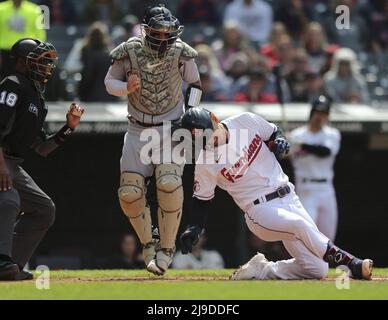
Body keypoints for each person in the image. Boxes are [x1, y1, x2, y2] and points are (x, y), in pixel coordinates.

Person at [179, 107, 373, 280]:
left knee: (317, 269)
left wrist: (279, 141)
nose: (209, 142)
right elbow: (201, 200)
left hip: (289, 197)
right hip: (260, 211)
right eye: (201, 140)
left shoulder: (244, 120)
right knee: (298, 225)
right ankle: (350, 263)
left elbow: (273, 132)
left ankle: (262, 270)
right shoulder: (205, 161)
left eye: (209, 135)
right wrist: (194, 226)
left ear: (214, 120)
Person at [104, 4, 202, 276]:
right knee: (129, 193)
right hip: (137, 129)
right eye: (157, 33)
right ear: (146, 30)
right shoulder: (129, 50)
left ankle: (166, 250)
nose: (163, 38)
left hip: (172, 128)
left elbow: (195, 85)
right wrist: (126, 88)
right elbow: (109, 81)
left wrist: (192, 114)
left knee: (169, 184)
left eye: (167, 33)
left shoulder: (182, 50)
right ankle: (148, 244)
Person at [0, 38, 84, 281]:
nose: (48, 67)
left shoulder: (36, 97)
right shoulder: (12, 84)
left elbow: (42, 147)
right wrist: (1, 165)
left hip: (12, 162)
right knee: (8, 200)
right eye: (42, 61)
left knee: (43, 210)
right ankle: (2, 259)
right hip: (2, 159)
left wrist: (68, 128)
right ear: (24, 61)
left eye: (49, 62)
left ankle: (11, 265)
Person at [288, 95, 340, 241]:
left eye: (323, 113)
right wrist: (288, 145)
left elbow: (325, 152)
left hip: (326, 189)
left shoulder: (331, 134)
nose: (319, 116)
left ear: (328, 116)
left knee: (328, 236)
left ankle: (326, 265)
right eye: (317, 112)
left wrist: (302, 145)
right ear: (311, 113)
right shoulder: (296, 135)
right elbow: (284, 156)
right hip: (305, 188)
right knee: (307, 235)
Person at [0, 0, 46, 78]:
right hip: (4, 53)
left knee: (24, 80)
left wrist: (37, 55)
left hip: (26, 53)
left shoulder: (35, 10)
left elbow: (40, 36)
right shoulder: (1, 9)